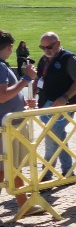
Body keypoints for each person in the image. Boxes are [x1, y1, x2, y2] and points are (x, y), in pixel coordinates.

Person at [32, 32, 76, 181]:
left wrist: (65, 97)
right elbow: (39, 79)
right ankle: (68, 171)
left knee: (51, 137)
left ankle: (46, 173)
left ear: (58, 44)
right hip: (45, 103)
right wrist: (32, 95)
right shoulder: (43, 59)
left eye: (50, 46)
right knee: (57, 137)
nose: (46, 50)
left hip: (63, 104)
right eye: (43, 47)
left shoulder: (68, 58)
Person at [0, 30, 34, 209]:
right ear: (10, 47)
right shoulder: (0, 66)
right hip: (5, 125)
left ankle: (23, 203)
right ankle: (24, 203)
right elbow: (2, 96)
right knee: (4, 167)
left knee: (11, 166)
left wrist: (21, 101)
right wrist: (26, 79)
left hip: (9, 123)